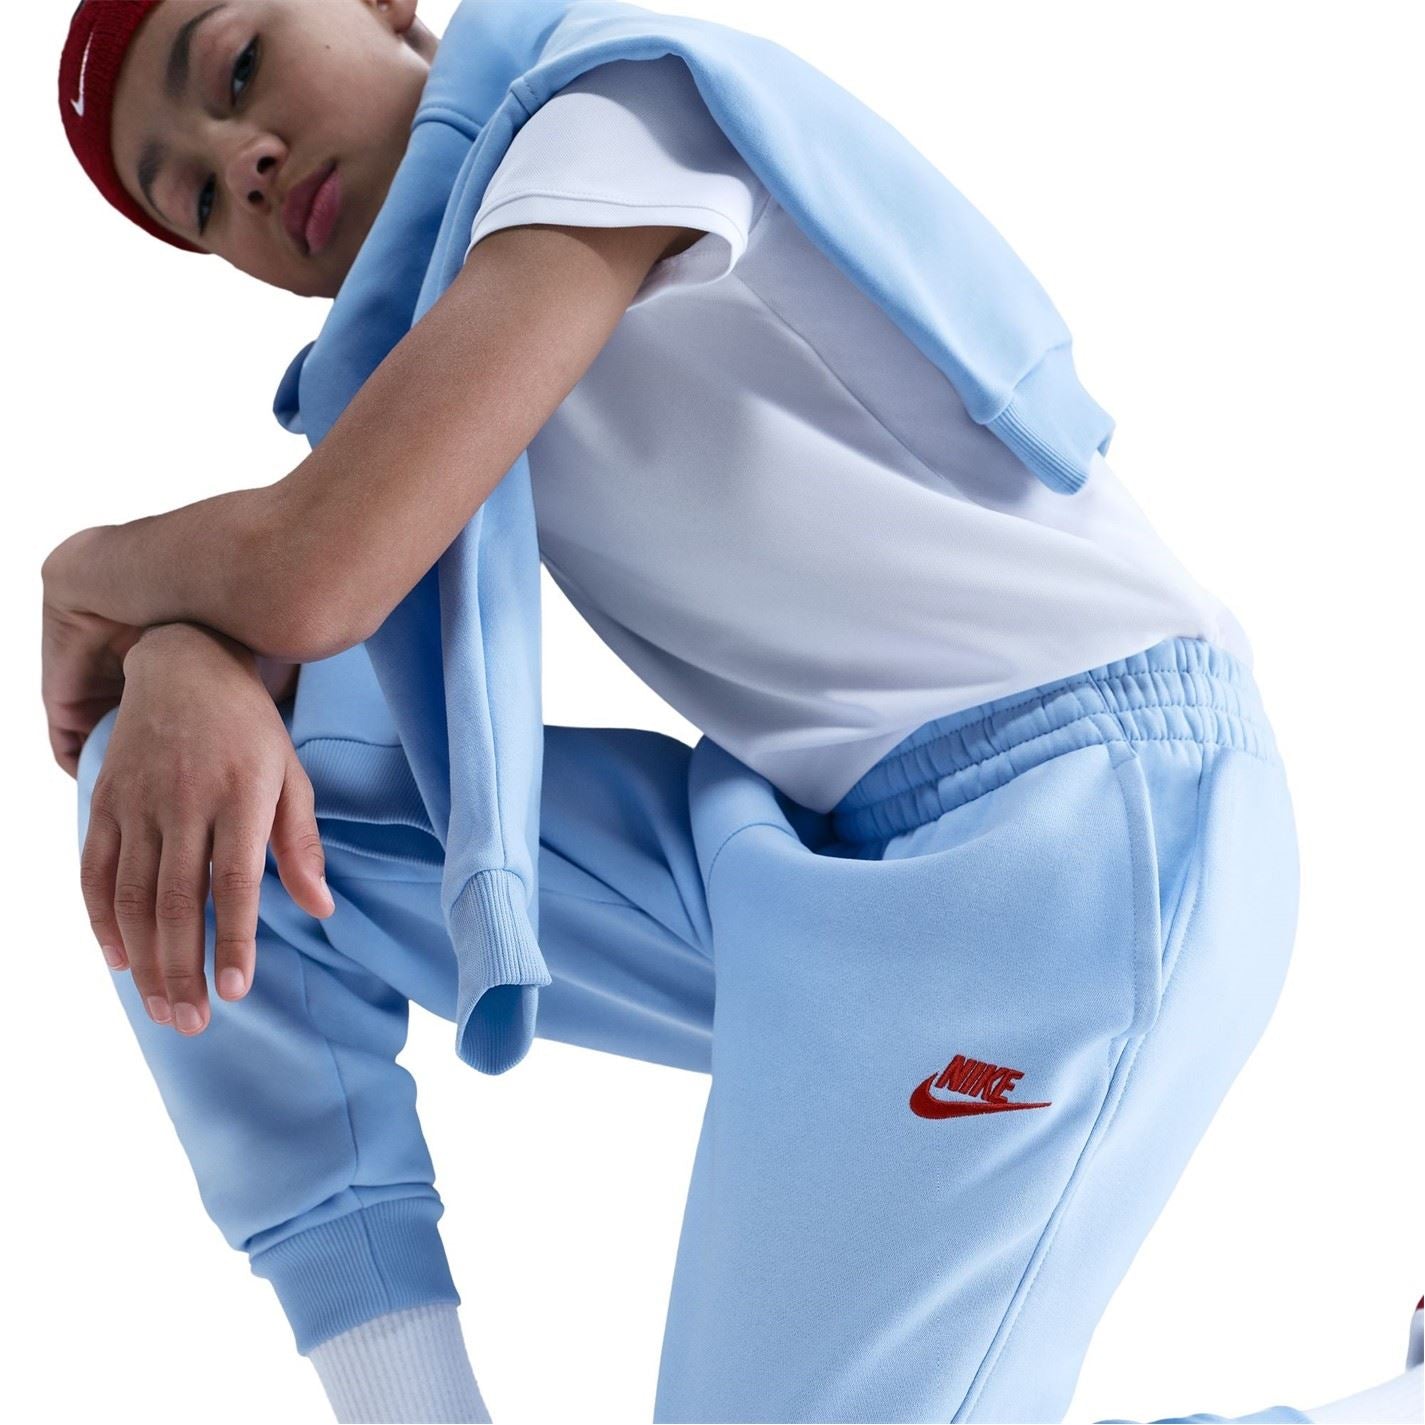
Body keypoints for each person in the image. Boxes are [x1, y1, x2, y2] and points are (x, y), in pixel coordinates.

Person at [43, 2, 1420, 1422]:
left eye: (240, 66)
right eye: (194, 199)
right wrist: (181, 659)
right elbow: (306, 583)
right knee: (180, 806)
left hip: (1068, 822)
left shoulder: (603, 120)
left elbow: (318, 568)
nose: (245, 166)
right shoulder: (401, 378)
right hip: (815, 854)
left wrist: (91, 578)